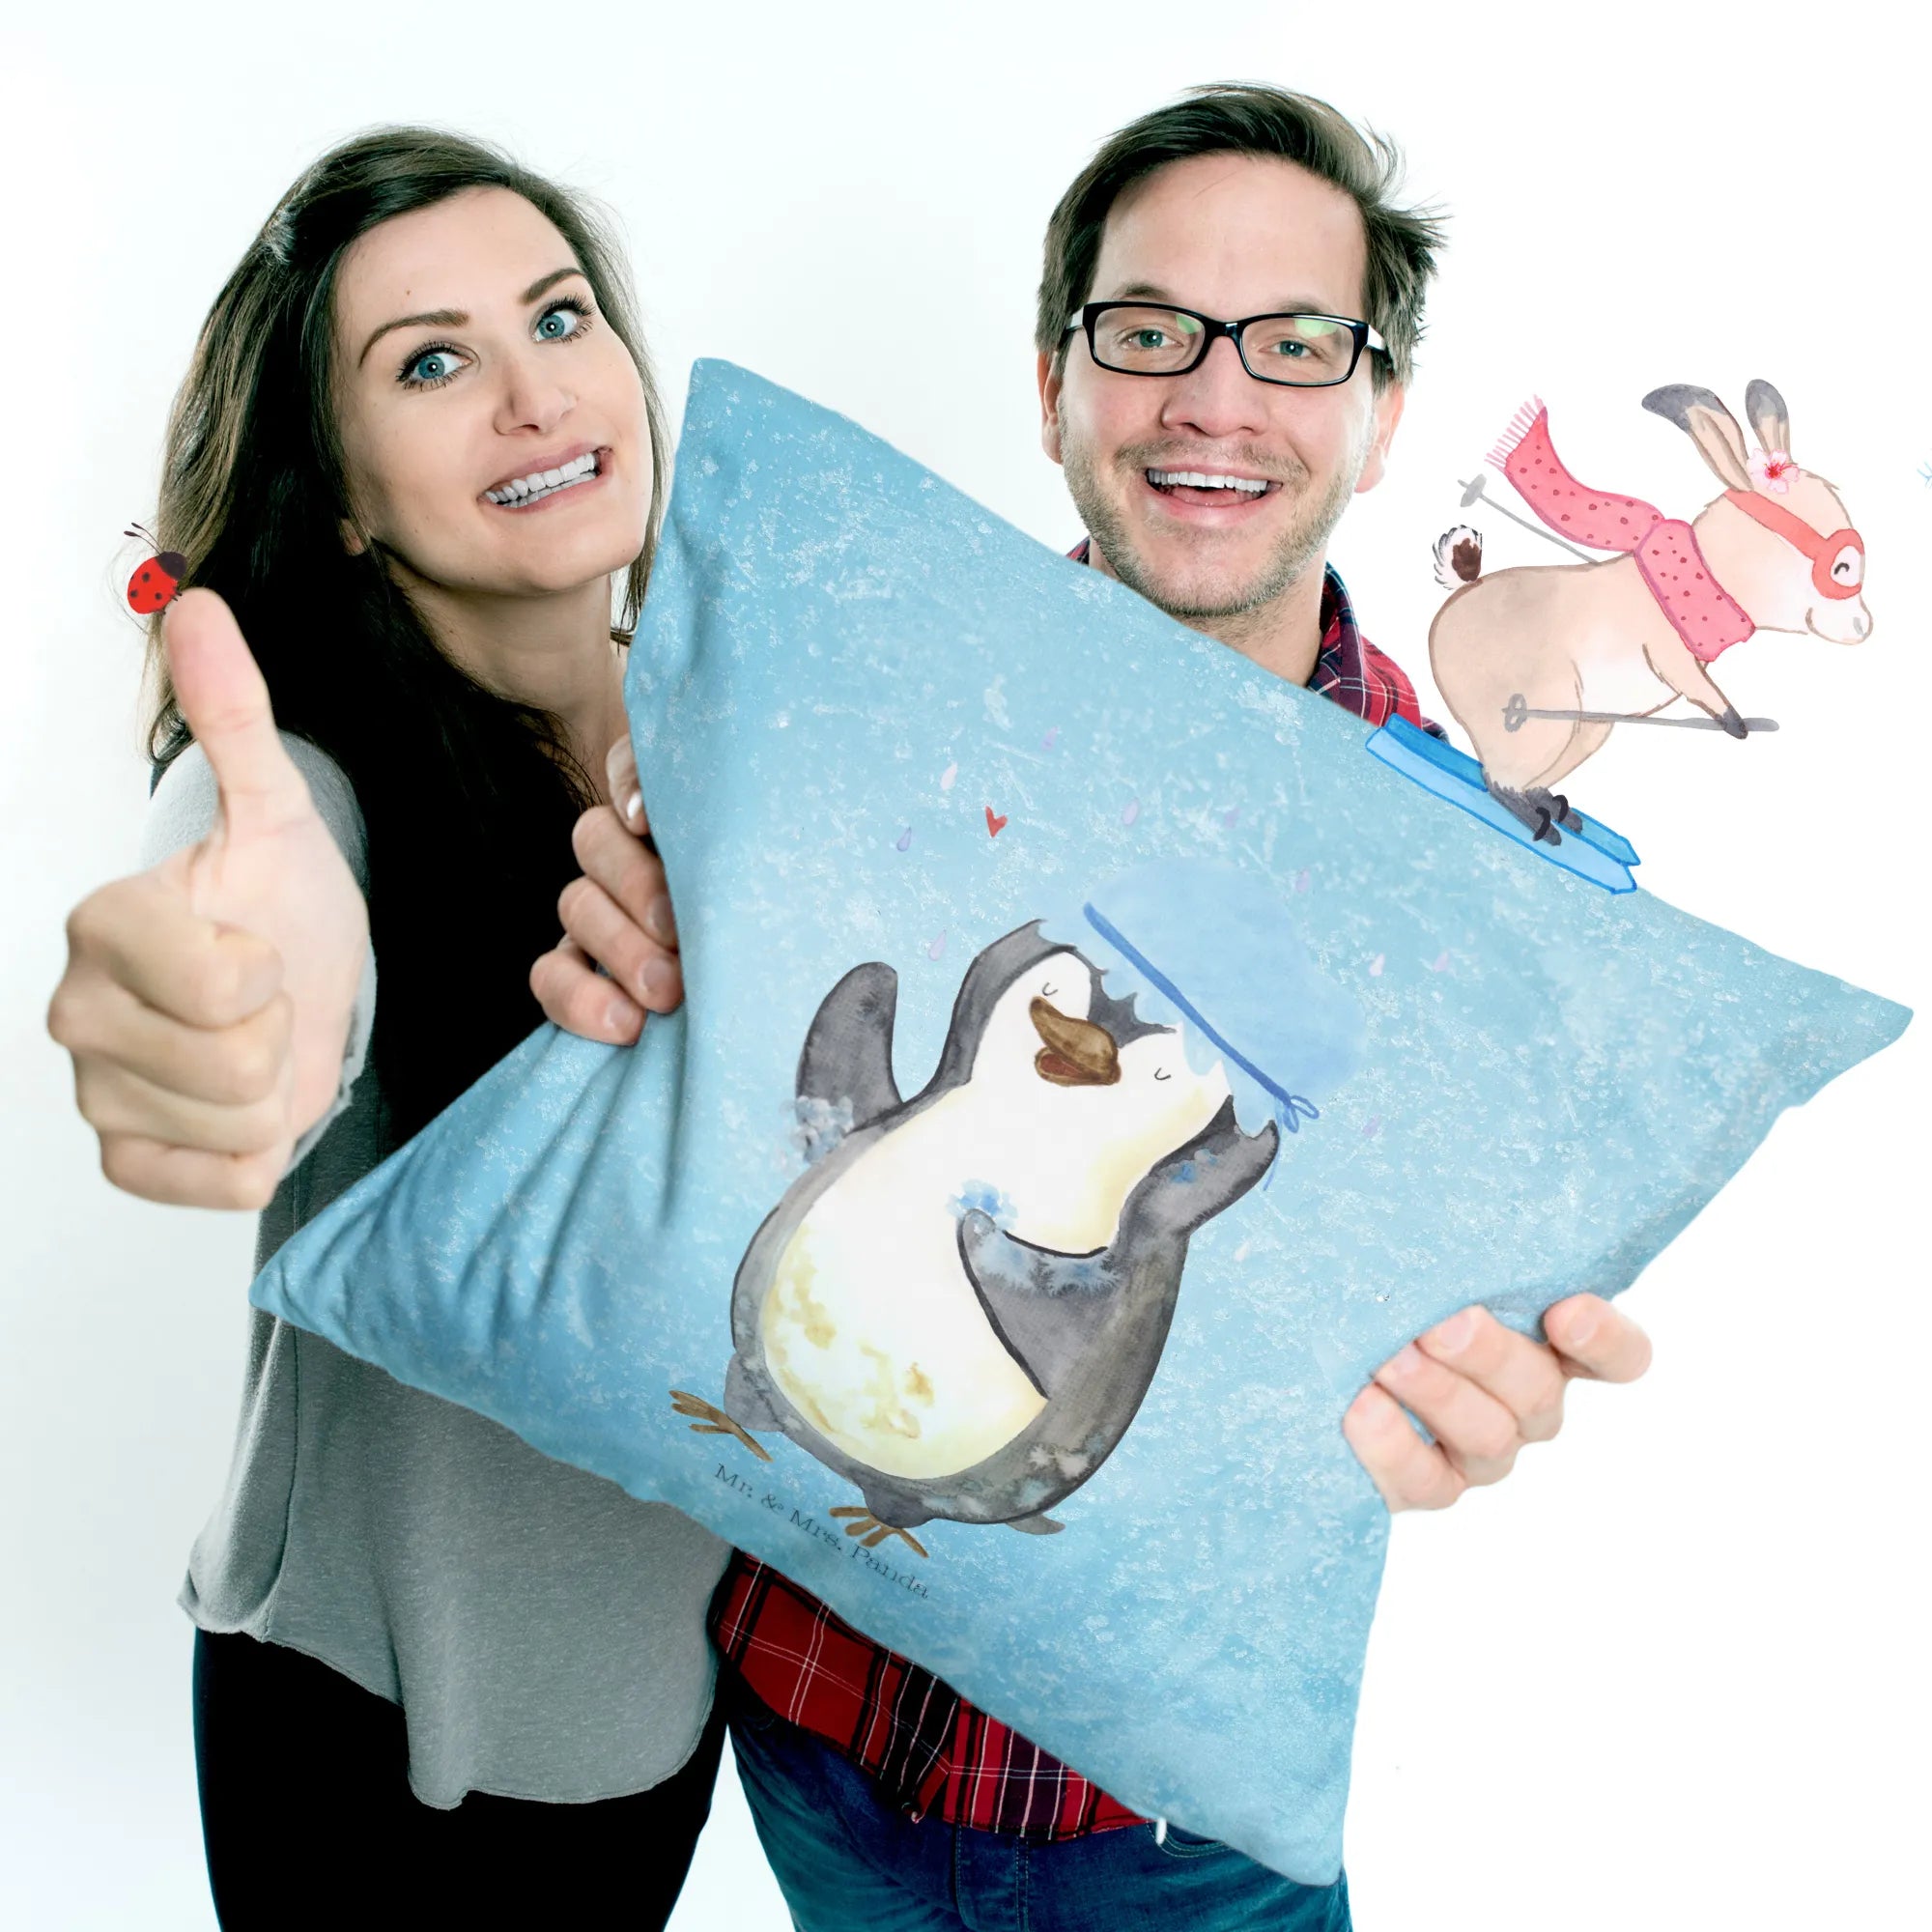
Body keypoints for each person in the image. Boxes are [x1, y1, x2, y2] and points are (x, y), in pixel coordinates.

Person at [534, 84, 1654, 1928]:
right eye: (1150, 333)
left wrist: (1479, 1378)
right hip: (806, 1738)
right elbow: (716, 1133)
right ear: (1054, 384)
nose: (1216, 398)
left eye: (1296, 343)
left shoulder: (1468, 898)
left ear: (1380, 419)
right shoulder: (850, 719)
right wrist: (627, 969)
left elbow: (1406, 1319)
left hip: (1177, 1835)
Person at [45, 130, 726, 1928]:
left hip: (662, 1708)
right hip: (380, 1743)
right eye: (430, 363)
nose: (532, 395)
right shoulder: (308, 782)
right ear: (342, 496)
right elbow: (254, 901)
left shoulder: (733, 743)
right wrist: (223, 999)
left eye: (558, 318)